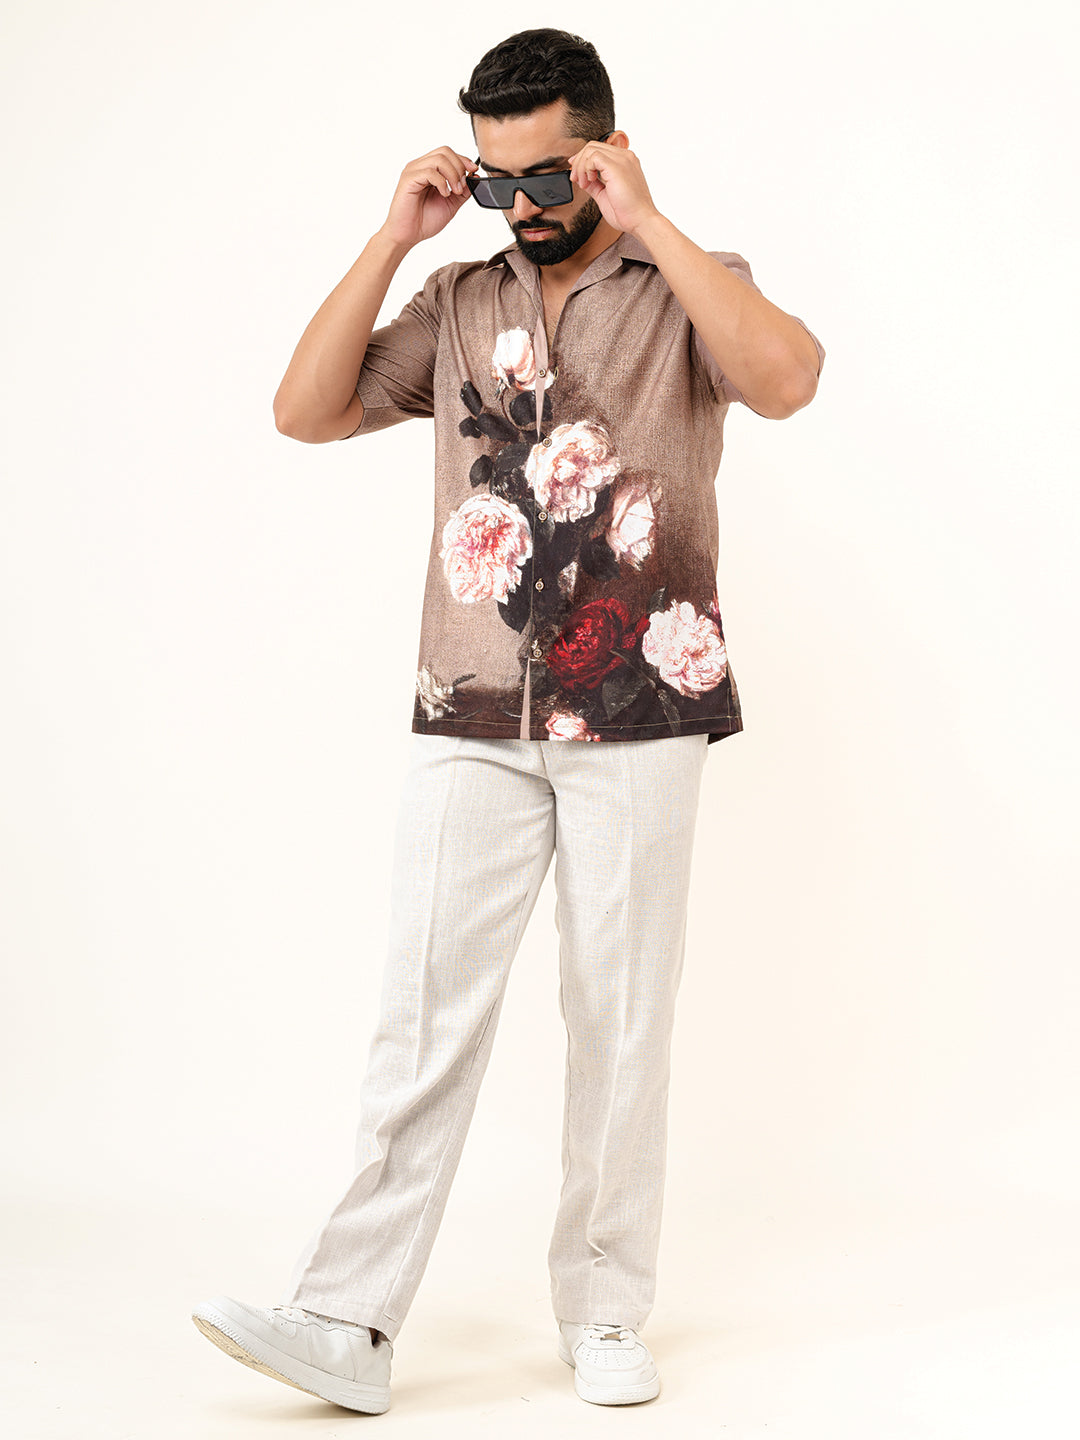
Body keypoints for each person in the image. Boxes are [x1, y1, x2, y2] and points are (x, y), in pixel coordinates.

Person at [192, 27, 824, 1413]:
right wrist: (393, 236)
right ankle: (347, 1319)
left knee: (619, 1020)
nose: (522, 207)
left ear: (604, 152)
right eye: (497, 182)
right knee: (421, 1017)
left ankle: (605, 1311)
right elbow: (304, 411)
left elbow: (786, 380)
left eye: (547, 177)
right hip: (472, 704)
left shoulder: (688, 280)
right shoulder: (460, 297)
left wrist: (648, 219)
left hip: (642, 705)